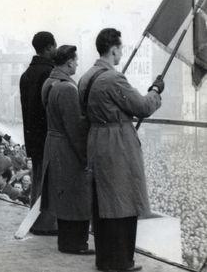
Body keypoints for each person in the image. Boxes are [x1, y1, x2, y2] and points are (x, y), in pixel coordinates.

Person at [78, 28, 163, 272]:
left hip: (96, 141)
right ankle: (122, 262)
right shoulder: (112, 78)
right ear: (114, 49)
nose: (121, 54)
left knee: (103, 204)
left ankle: (104, 260)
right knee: (123, 203)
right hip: (117, 145)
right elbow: (142, 107)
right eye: (120, 49)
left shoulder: (86, 77)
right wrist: (155, 90)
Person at [41, 45, 93, 255]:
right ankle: (76, 244)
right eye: (76, 60)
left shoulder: (50, 82)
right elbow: (75, 128)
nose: (78, 64)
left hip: (54, 144)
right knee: (77, 196)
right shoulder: (67, 88)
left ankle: (66, 242)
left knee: (63, 197)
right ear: (69, 61)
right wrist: (85, 157)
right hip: (67, 149)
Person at [19, 31, 58, 235]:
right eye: (55, 46)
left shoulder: (26, 74)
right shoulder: (50, 73)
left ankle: (34, 220)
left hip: (32, 136)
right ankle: (45, 223)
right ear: (49, 47)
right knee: (48, 180)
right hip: (48, 136)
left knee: (37, 180)